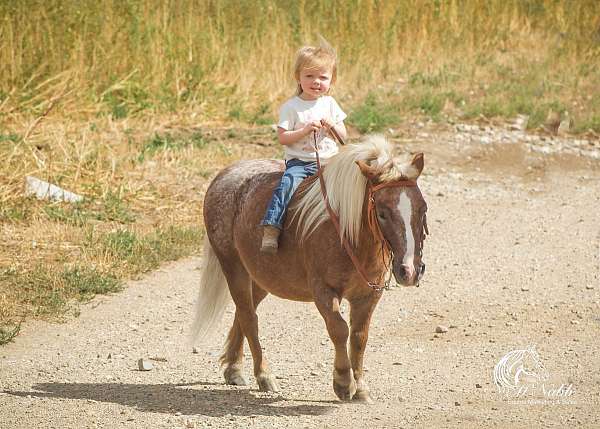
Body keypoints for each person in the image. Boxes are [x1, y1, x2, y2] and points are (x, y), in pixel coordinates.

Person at [260, 39, 347, 253]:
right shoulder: (291, 107)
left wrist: (333, 125)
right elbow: (283, 137)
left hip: (330, 162)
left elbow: (344, 138)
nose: (316, 82)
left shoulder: (330, 104)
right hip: (300, 162)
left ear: (331, 80)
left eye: (323, 77)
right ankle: (272, 226)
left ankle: (353, 228)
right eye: (309, 76)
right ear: (298, 77)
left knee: (352, 186)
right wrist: (304, 130)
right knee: (287, 184)